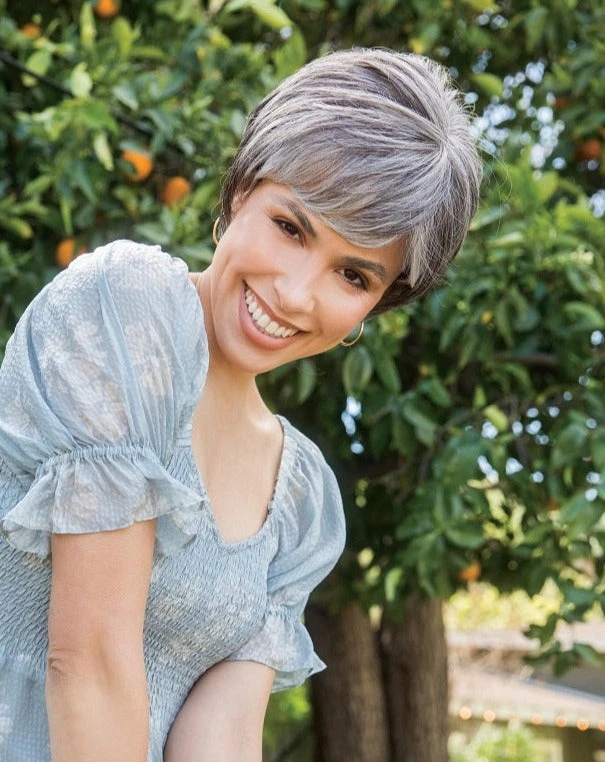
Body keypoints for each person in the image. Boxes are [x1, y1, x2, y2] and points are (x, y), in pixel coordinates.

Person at [0, 48, 481, 761]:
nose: (294, 293)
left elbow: (219, 741)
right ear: (241, 192)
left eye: (352, 275)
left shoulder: (301, 502)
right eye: (291, 227)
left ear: (377, 304)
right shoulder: (126, 309)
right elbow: (88, 661)